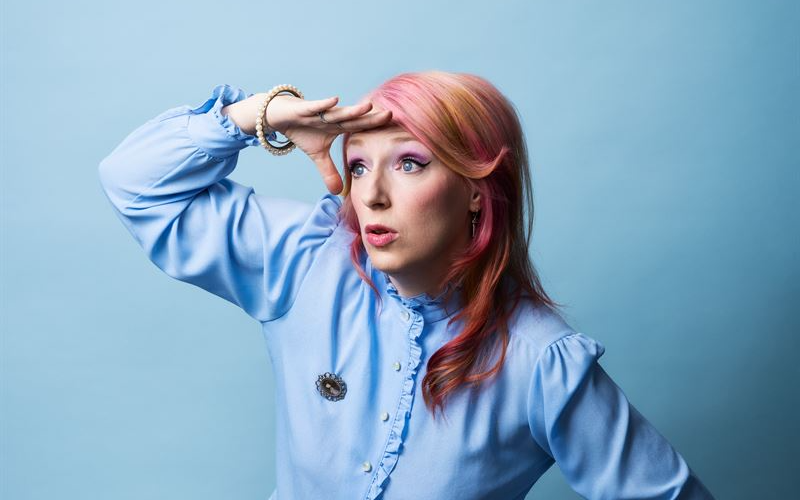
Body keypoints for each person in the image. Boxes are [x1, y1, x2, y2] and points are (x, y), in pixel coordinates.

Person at [98, 70, 716, 500]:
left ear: (477, 191)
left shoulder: (538, 361)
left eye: (410, 163)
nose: (371, 194)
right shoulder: (305, 260)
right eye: (358, 164)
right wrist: (258, 115)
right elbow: (132, 181)